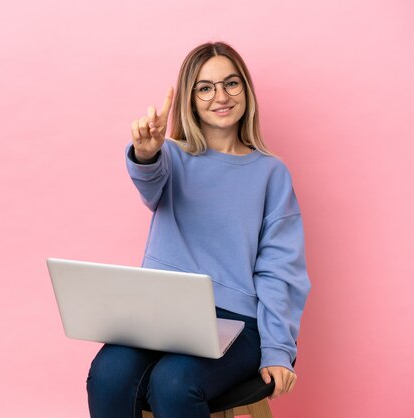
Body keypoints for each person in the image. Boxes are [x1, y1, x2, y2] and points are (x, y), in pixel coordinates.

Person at [86, 41, 311, 418]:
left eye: (231, 84)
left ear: (246, 91)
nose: (220, 96)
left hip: (237, 323)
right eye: (205, 87)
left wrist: (278, 350)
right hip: (158, 313)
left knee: (174, 383)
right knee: (108, 374)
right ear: (190, 99)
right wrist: (146, 152)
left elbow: (280, 270)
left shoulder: (271, 174)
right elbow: (150, 180)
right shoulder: (169, 154)